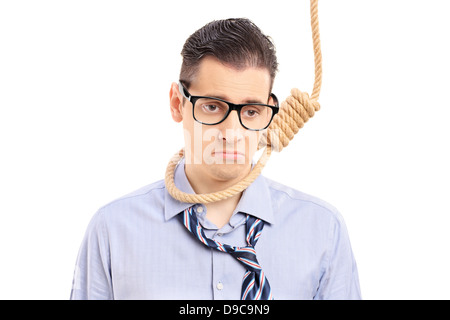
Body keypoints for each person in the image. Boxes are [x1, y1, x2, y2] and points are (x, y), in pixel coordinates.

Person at [70, 18, 361, 300]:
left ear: (270, 111)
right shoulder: (112, 230)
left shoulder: (323, 231)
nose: (231, 133)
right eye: (212, 106)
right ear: (177, 103)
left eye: (250, 111)